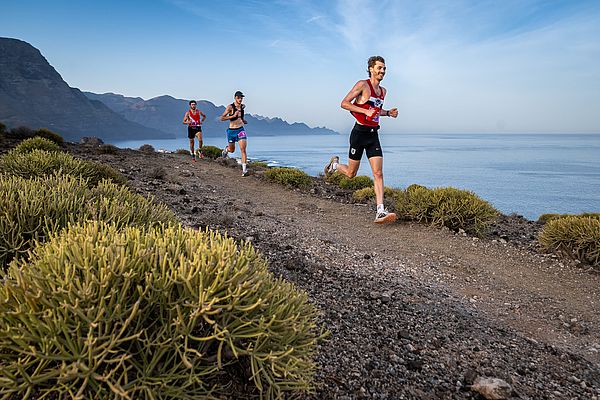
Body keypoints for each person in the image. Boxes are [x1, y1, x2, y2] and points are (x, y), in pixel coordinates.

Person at [324, 56, 399, 224]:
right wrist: (365, 112)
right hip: (359, 133)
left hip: (373, 135)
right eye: (379, 68)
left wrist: (388, 113)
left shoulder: (383, 91)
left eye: (384, 68)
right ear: (371, 69)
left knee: (378, 173)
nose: (383, 71)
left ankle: (380, 211)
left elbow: (376, 111)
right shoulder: (362, 85)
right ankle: (335, 165)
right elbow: (344, 103)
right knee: (351, 174)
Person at [220, 91, 249, 176]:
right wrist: (232, 116)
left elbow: (240, 116)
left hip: (240, 130)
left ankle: (244, 170)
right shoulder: (230, 107)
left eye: (241, 98)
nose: (240, 99)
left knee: (243, 149)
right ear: (235, 98)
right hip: (231, 131)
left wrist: (243, 121)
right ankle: (226, 150)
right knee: (232, 150)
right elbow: (222, 118)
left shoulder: (242, 107)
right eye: (239, 98)